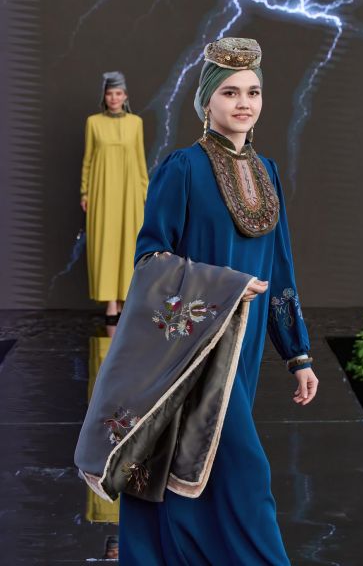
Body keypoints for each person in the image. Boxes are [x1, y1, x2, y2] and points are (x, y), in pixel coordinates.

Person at [115, 38, 319, 564]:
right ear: (207, 101)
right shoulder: (182, 168)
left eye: (253, 91)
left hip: (245, 348)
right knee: (245, 468)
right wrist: (224, 286)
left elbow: (279, 268)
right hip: (195, 345)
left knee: (203, 461)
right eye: (230, 92)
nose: (243, 103)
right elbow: (150, 260)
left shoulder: (267, 171)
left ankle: (182, 552)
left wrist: (297, 354)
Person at [80, 71, 148, 322]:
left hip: (130, 192)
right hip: (102, 191)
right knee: (105, 243)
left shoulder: (136, 123)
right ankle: (110, 302)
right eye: (110, 93)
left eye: (118, 93)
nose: (114, 98)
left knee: (129, 243)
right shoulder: (93, 123)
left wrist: (145, 193)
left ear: (125, 96)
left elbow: (140, 160)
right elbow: (88, 160)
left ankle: (125, 299)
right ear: (105, 96)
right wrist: (85, 191)